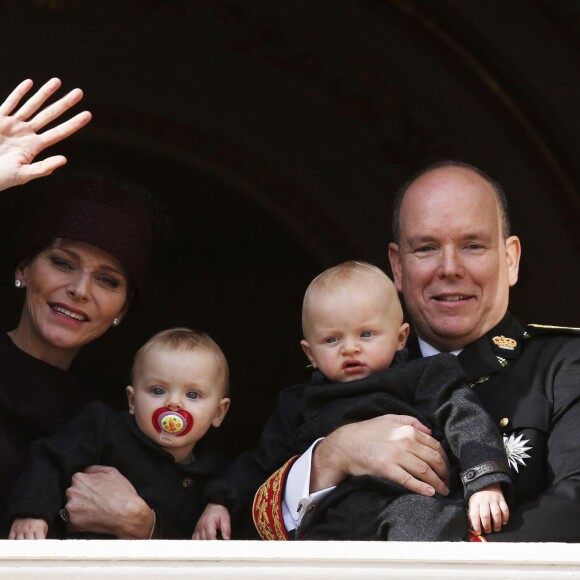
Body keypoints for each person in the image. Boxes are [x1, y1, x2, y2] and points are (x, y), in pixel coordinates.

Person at [253, 160, 580, 543]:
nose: (449, 268)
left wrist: (444, 559)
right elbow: (229, 532)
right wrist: (332, 456)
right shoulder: (350, 368)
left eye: (472, 245)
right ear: (397, 266)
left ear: (510, 259)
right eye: (426, 248)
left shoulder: (564, 365)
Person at [197, 261, 511, 541]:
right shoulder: (300, 403)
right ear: (310, 353)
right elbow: (259, 463)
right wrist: (221, 501)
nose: (350, 348)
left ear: (400, 338)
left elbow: (466, 420)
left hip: (411, 502)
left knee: (425, 528)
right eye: (332, 339)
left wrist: (483, 481)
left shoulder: (425, 376)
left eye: (366, 334)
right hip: (334, 517)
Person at [0, 78, 165, 539]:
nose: (79, 289)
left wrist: (146, 526)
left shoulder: (126, 411)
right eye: (61, 262)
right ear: (24, 268)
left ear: (123, 308)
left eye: (107, 280)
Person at [7, 328, 230, 540]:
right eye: (158, 390)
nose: (173, 402)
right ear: (132, 400)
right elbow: (51, 459)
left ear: (218, 413)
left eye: (192, 394)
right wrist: (33, 511)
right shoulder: (104, 428)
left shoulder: (215, 473)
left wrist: (218, 505)